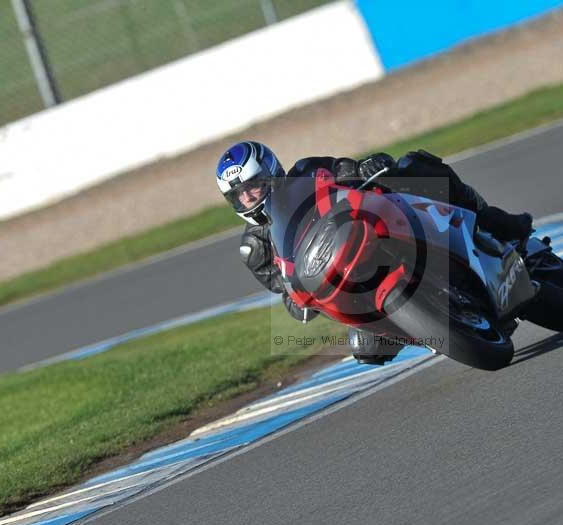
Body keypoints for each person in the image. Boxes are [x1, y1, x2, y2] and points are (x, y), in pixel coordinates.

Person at [216, 141, 533, 365]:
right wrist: (295, 303)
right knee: (366, 348)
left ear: (271, 171)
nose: (249, 196)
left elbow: (342, 170)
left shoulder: (305, 171)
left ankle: (489, 220)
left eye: (254, 185)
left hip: (373, 228)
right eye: (239, 195)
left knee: (415, 167)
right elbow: (285, 287)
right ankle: (433, 324)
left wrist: (365, 167)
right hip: (344, 285)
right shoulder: (256, 248)